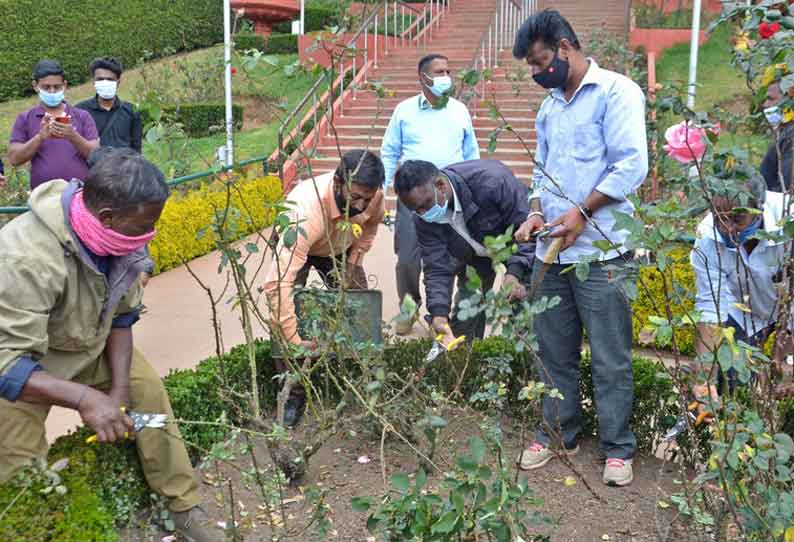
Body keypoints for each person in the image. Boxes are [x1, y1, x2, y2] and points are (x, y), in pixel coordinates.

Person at [0, 149, 212, 542]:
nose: (150, 234)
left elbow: (121, 316)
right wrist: (84, 399)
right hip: (23, 366)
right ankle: (36, 524)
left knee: (147, 394)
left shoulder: (119, 239)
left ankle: (181, 503)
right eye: (145, 224)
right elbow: (6, 365)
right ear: (109, 218)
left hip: (87, 343)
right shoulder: (23, 256)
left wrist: (116, 392)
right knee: (17, 466)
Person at [511, 9, 648, 486]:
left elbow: (631, 165)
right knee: (553, 352)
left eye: (540, 60)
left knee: (611, 355)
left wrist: (582, 213)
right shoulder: (550, 106)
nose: (536, 72)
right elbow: (540, 170)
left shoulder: (617, 92)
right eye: (530, 65)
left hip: (604, 251)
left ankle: (617, 449)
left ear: (565, 48)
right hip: (555, 251)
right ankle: (558, 433)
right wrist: (534, 211)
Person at [262, 149, 385, 427]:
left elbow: (370, 228)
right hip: (302, 242)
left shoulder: (373, 197)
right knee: (286, 310)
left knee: (358, 305)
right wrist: (294, 343)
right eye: (356, 197)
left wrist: (353, 263)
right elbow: (277, 284)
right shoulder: (304, 211)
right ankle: (293, 394)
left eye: (368, 198)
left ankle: (361, 385)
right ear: (338, 182)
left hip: (340, 246)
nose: (362, 205)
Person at [380, 53, 480, 335]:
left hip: (453, 197)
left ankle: (453, 314)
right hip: (413, 199)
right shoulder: (404, 111)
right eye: (439, 72)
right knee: (408, 259)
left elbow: (471, 152)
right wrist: (382, 190)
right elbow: (389, 152)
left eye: (448, 70)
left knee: (459, 255)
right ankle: (409, 308)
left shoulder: (460, 110)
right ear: (422, 77)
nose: (446, 76)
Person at [393, 159, 533, 343]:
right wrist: (439, 314)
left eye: (425, 204)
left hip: (517, 247)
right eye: (416, 209)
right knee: (465, 320)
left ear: (440, 185)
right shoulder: (423, 219)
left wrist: (515, 273)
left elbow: (528, 230)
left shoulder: (493, 182)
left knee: (524, 312)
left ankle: (525, 364)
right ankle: (469, 363)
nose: (424, 212)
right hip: (475, 258)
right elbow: (437, 267)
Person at [690, 177, 789, 402]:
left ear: (758, 208)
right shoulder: (707, 236)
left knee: (785, 378)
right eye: (719, 219)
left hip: (787, 306)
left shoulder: (788, 220)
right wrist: (705, 377)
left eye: (737, 219)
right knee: (734, 383)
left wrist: (787, 356)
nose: (727, 229)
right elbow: (711, 307)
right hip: (743, 311)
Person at [8, 59, 99, 189]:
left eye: (57, 87)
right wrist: (39, 137)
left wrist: (73, 136)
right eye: (46, 87)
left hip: (78, 195)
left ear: (65, 85)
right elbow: (14, 159)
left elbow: (96, 155)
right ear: (35, 86)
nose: (52, 91)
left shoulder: (82, 116)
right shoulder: (25, 118)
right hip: (42, 197)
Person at [76, 57, 143, 153]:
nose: (105, 83)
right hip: (94, 166)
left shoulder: (132, 111)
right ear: (93, 82)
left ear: (118, 82)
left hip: (124, 166)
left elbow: (137, 150)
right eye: (100, 79)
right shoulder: (80, 111)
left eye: (110, 79)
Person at [760, 80, 793, 193]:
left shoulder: (790, 137)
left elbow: (786, 186)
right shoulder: (783, 133)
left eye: (771, 99)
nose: (765, 104)